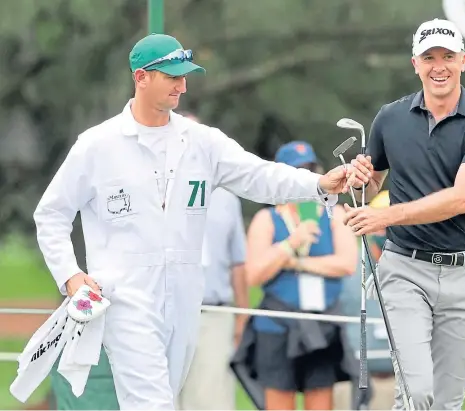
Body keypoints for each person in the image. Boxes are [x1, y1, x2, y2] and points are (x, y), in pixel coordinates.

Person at [31, 33, 372, 410]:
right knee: (152, 402)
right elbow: (51, 214)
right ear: (141, 77)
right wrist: (71, 276)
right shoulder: (97, 145)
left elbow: (258, 176)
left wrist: (318, 184)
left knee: (166, 394)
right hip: (124, 295)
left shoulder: (201, 141)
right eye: (172, 76)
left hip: (184, 295)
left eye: (185, 76)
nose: (183, 85)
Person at [342, 18, 465, 410]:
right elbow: (372, 186)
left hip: (464, 274)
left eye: (448, 56)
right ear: (414, 63)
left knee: (447, 403)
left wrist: (386, 217)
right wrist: (360, 179)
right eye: (429, 57)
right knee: (417, 392)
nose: (439, 66)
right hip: (404, 270)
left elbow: (461, 199)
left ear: (463, 61)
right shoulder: (390, 118)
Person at [238, 141, 359, 410]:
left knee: (320, 401)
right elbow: (255, 273)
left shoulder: (333, 214)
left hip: (322, 324)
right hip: (278, 327)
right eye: (297, 172)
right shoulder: (268, 219)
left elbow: (346, 264)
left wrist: (295, 263)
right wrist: (290, 244)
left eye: (309, 170)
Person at [175, 113, 249, 410]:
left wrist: (241, 316)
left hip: (213, 314)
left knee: (211, 400)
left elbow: (238, 263)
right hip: (164, 311)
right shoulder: (149, 189)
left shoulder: (227, 197)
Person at [333, 190, 395, 411]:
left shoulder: (417, 272)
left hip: (401, 382)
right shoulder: (349, 269)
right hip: (355, 382)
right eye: (384, 225)